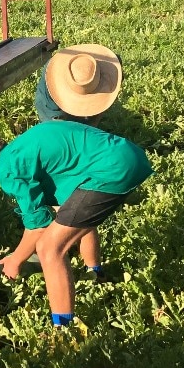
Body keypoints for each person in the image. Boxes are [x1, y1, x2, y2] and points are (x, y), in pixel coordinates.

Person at [0, 120, 153, 329]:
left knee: (49, 248)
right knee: (72, 215)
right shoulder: (24, 146)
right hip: (127, 156)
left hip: (111, 171)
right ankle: (96, 274)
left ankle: (63, 330)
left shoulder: (8, 167)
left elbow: (38, 226)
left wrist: (15, 260)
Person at [33, 43, 123, 280]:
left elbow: (100, 107)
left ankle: (91, 267)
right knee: (66, 188)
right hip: (56, 120)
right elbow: (59, 140)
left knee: (75, 203)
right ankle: (72, 233)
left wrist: (91, 126)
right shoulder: (50, 103)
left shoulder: (107, 68)